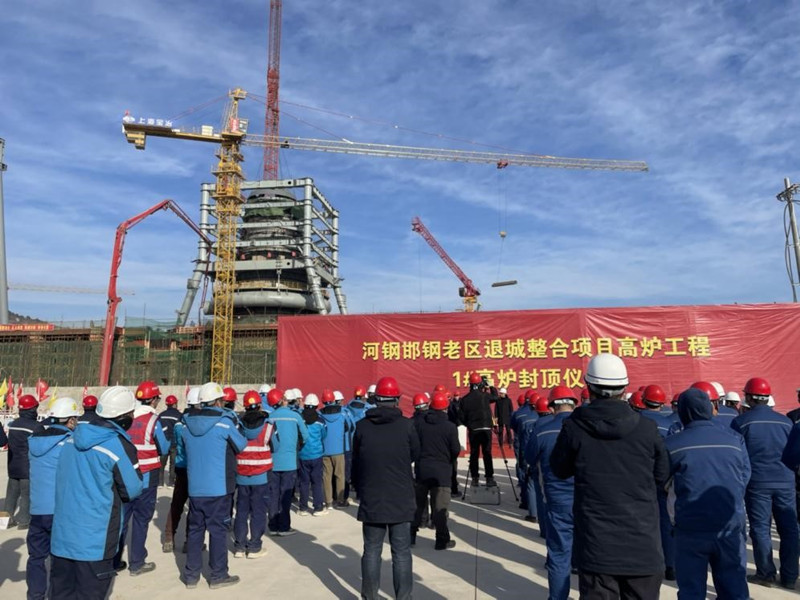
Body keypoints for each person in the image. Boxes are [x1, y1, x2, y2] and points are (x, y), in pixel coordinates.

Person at [551, 354, 669, 599]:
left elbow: (559, 469)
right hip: (642, 546)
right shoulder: (647, 429)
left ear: (589, 386)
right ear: (624, 388)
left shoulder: (574, 427)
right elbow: (662, 476)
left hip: (596, 548)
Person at [49, 386, 143, 600]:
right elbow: (132, 489)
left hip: (63, 536)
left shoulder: (70, 438)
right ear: (124, 417)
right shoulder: (117, 445)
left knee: (60, 594)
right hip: (95, 541)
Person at [665, 387, 751, 599]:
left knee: (691, 591)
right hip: (729, 525)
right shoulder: (734, 439)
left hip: (690, 527)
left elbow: (661, 481)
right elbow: (744, 475)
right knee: (734, 588)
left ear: (682, 412)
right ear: (710, 408)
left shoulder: (672, 444)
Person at [352, 376, 420, 600]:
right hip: (400, 497)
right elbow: (415, 455)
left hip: (372, 497)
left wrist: (360, 490)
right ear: (397, 399)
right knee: (401, 553)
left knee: (372, 551)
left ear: (375, 399)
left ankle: (369, 596)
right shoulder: (407, 426)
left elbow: (356, 463)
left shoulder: (362, 427)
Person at [732, 376, 798, 589]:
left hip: (757, 483)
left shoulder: (741, 422)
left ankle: (766, 574)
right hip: (786, 481)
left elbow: (736, 454)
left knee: (760, 528)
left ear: (749, 398)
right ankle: (790, 577)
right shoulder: (786, 422)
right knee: (789, 529)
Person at [181, 381, 247, 589]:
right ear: (218, 402)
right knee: (218, 531)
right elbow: (241, 444)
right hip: (218, 487)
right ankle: (218, 575)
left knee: (195, 531)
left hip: (195, 487)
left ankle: (191, 576)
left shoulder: (186, 424)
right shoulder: (224, 422)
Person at [26, 397, 80, 600]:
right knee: (61, 559)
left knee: (36, 557)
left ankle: (35, 595)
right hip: (60, 510)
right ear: (71, 420)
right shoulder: (70, 443)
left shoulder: (34, 441)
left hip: (37, 509)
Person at [526, 386, 577, 600]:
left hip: (557, 500)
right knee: (591, 556)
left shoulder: (542, 429)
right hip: (589, 500)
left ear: (552, 407)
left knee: (558, 555)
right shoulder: (588, 428)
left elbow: (530, 457)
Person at [113, 380, 169, 575]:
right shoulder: (153, 421)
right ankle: (137, 563)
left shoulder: (124, 418)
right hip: (147, 477)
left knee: (121, 520)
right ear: (152, 400)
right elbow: (164, 448)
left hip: (125, 477)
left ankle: (114, 561)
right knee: (141, 520)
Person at [412, 391, 459, 550]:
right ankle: (441, 540)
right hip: (442, 473)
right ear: (445, 408)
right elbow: (455, 450)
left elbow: (415, 445)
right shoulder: (450, 427)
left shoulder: (420, 424)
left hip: (423, 469)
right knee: (440, 508)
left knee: (418, 506)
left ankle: (410, 536)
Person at [638, 383, 676, 580]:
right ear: (662, 404)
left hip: (637, 480)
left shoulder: (635, 421)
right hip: (662, 480)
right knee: (666, 523)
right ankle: (670, 566)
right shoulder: (669, 425)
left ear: (643, 401)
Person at [233, 390, 273, 559]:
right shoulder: (268, 426)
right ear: (260, 405)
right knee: (258, 511)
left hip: (241, 474)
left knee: (241, 511)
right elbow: (276, 446)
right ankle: (255, 546)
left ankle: (240, 546)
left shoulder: (237, 425)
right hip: (261, 476)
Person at [267, 387, 309, 535]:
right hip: (289, 461)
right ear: (283, 400)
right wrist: (296, 445)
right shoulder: (295, 416)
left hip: (272, 461)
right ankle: (284, 527)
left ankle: (273, 526)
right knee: (285, 495)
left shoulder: (270, 417)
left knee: (273, 494)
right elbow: (305, 436)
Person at [163, 387, 198, 553]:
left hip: (181, 466)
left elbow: (178, 444)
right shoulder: (197, 424)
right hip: (194, 468)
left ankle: (168, 538)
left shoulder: (179, 423)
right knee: (194, 506)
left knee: (176, 503)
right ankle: (190, 541)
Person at [6, 394, 44, 529]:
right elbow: (40, 448)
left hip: (12, 466)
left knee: (11, 495)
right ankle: (23, 521)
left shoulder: (13, 424)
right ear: (32, 409)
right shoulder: (36, 426)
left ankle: (6, 520)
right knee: (26, 495)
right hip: (27, 467)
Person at [458, 372, 498, 487]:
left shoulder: (465, 399)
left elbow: (461, 418)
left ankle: (474, 478)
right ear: (480, 384)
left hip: (474, 430)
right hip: (486, 429)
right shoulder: (485, 396)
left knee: (474, 454)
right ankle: (489, 478)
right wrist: (490, 386)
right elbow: (495, 397)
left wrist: (469, 424)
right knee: (487, 453)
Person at [319, 388, 353, 509]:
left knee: (326, 476)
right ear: (334, 400)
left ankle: (328, 502)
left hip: (325, 450)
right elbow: (350, 427)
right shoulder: (342, 414)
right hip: (339, 450)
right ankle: (340, 500)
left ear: (323, 400)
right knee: (340, 475)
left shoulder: (320, 414)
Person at [298, 393, 327, 516]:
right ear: (316, 406)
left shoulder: (300, 419)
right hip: (316, 454)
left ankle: (303, 508)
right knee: (316, 482)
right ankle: (318, 508)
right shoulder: (320, 421)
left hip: (302, 454)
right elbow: (324, 435)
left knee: (304, 482)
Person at [159, 394, 182, 487]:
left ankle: (160, 483)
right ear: (175, 404)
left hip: (163, 443)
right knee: (173, 464)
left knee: (161, 464)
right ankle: (171, 483)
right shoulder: (179, 415)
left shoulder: (161, 415)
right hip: (174, 443)